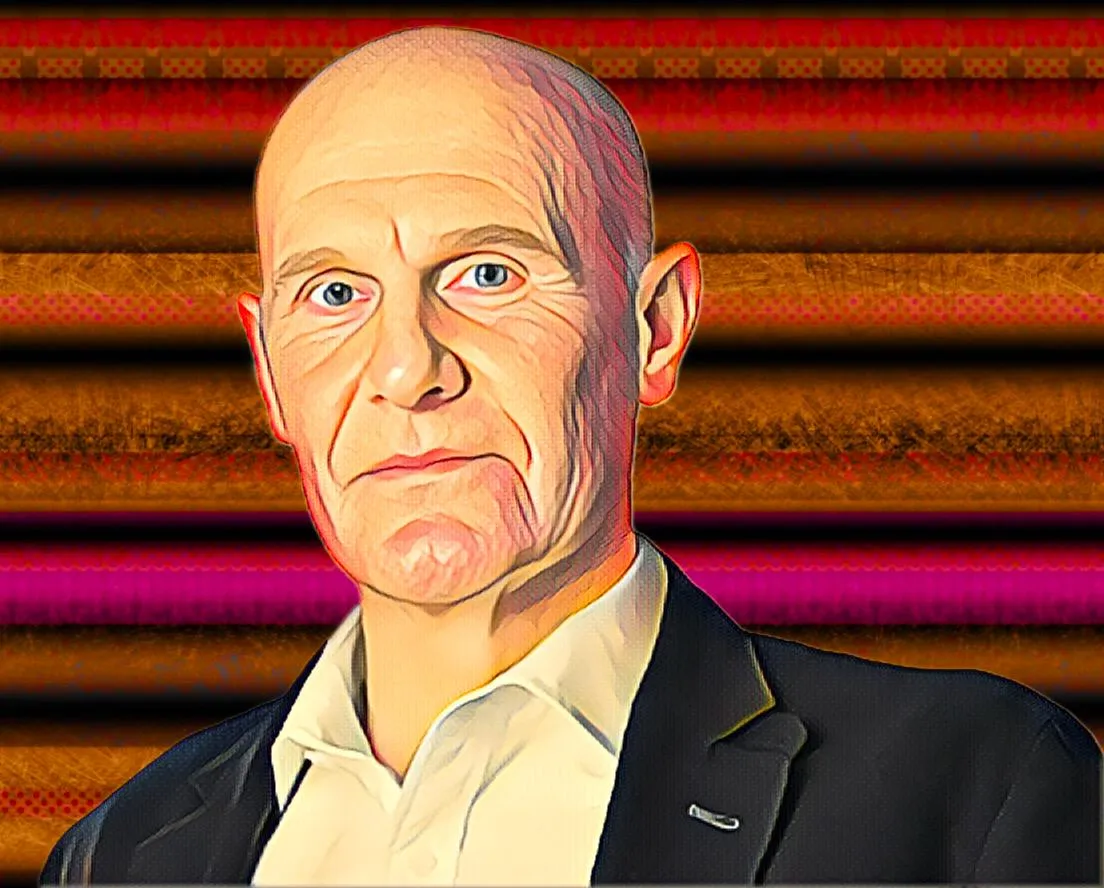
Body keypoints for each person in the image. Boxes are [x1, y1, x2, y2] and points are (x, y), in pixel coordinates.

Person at [41, 25, 1100, 885]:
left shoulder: (966, 792)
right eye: (335, 293)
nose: (406, 369)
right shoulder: (120, 856)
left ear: (656, 329)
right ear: (270, 371)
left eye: (487, 274)